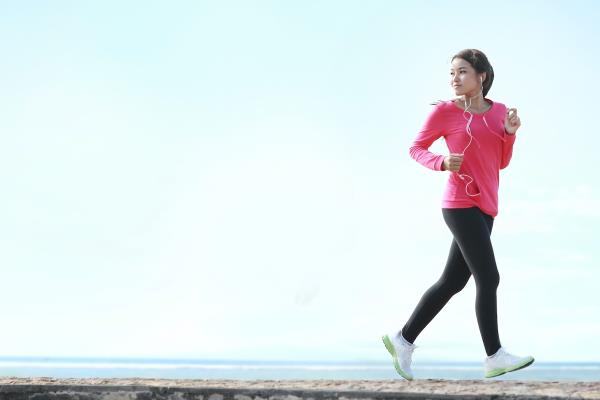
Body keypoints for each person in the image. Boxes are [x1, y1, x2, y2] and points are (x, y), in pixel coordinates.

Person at [381, 49, 534, 380]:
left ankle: (403, 339)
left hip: (487, 206)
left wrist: (509, 133)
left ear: (482, 76)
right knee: (489, 277)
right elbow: (416, 148)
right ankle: (494, 355)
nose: (454, 78)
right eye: (451, 72)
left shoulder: (500, 113)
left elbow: (501, 162)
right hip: (459, 203)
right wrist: (440, 162)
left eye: (462, 72)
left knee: (452, 281)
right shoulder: (445, 112)